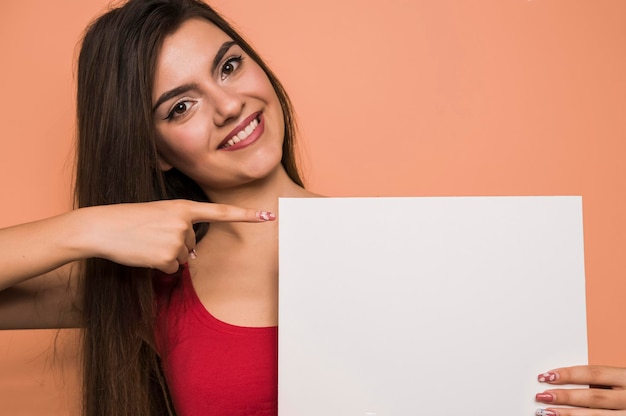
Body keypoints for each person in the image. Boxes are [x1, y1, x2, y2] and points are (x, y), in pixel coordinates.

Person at [0, 0, 623, 415]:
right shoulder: (152, 278)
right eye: (180, 106)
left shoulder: (413, 246)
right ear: (153, 149)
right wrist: (85, 227)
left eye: (229, 65)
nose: (229, 105)